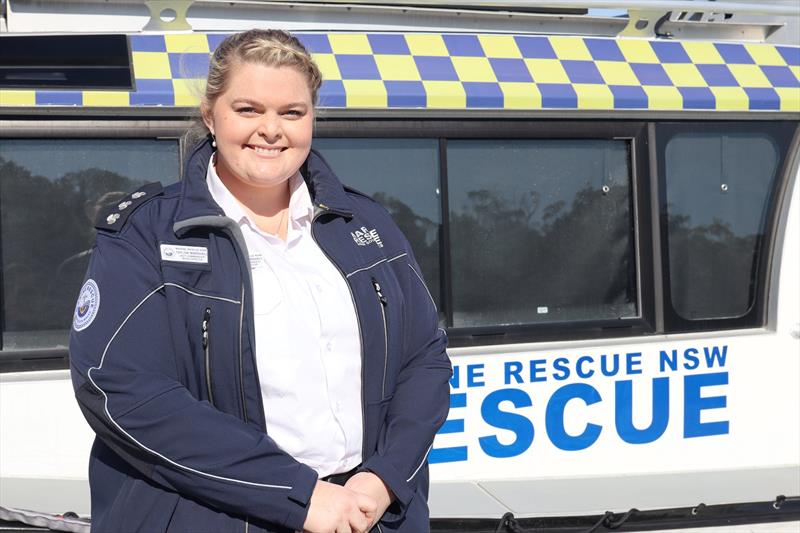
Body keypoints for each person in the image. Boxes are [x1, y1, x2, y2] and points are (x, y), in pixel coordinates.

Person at [68, 29, 451, 533]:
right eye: (248, 110)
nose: (271, 130)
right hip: (218, 518)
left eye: (291, 112)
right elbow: (119, 387)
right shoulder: (146, 235)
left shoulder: (366, 224)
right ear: (210, 115)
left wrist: (385, 478)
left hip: (366, 514)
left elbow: (424, 359)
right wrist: (298, 494)